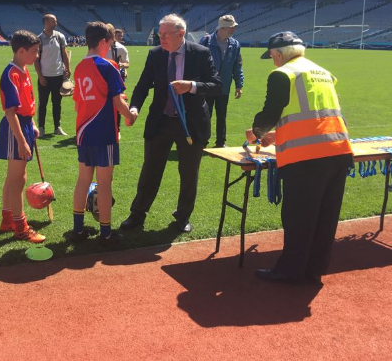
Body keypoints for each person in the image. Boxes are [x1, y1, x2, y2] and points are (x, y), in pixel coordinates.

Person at [246, 32, 353, 285]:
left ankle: (290, 271)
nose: (272, 62)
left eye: (272, 56)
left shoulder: (283, 74)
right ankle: (314, 270)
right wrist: (277, 135)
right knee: (326, 217)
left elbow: (271, 111)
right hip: (338, 151)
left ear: (280, 54)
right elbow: (313, 117)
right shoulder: (322, 72)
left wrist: (258, 132)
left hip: (306, 159)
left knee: (298, 217)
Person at [120, 14, 221, 233]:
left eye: (165, 35)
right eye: (160, 34)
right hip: (161, 121)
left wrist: (191, 85)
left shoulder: (201, 54)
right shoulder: (156, 54)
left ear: (181, 34)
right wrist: (135, 107)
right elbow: (143, 84)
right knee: (150, 172)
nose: (161, 38)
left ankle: (182, 217)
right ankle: (137, 215)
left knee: (188, 174)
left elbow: (216, 85)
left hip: (191, 124)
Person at [70, 22, 136, 246]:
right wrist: (131, 116)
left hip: (82, 131)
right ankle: (106, 233)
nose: (110, 47)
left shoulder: (79, 67)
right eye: (110, 43)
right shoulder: (108, 66)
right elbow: (118, 101)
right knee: (105, 183)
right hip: (104, 132)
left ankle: (77, 229)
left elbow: (77, 104)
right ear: (102, 42)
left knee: (83, 179)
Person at [0, 30, 46, 243]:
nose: (37, 56)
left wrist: (32, 123)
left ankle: (8, 219)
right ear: (21, 50)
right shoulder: (11, 74)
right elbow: (10, 112)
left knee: (14, 177)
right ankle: (20, 226)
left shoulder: (24, 70)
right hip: (14, 127)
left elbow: (26, 103)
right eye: (34, 52)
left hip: (24, 123)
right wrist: (21, 140)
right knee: (18, 180)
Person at [199, 15, 244, 148]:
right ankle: (202, 142)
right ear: (222, 28)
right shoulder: (206, 41)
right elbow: (197, 62)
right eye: (231, 27)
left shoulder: (235, 44)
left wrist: (239, 85)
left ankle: (220, 142)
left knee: (221, 115)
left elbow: (237, 65)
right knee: (205, 115)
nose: (233, 30)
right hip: (207, 85)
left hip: (224, 87)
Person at [34, 13, 71, 137]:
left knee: (57, 103)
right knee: (43, 103)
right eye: (54, 21)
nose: (56, 23)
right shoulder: (39, 39)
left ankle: (57, 127)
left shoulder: (60, 36)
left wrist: (68, 69)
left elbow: (64, 54)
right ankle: (41, 128)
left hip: (58, 76)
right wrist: (40, 76)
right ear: (46, 23)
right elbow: (36, 60)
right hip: (45, 77)